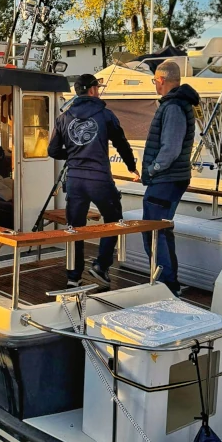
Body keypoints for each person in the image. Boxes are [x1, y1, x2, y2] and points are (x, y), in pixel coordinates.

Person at [48, 73, 140, 288]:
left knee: (75, 228)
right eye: (97, 87)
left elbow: (52, 150)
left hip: (75, 180)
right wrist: (132, 167)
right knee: (115, 221)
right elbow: (121, 143)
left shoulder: (63, 118)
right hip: (99, 179)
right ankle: (101, 266)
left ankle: (73, 277)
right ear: (92, 90)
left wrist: (71, 156)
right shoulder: (106, 115)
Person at [141, 59, 200, 295]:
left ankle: (165, 284)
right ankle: (170, 282)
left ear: (162, 80)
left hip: (165, 179)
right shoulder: (177, 103)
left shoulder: (173, 106)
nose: (155, 85)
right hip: (171, 179)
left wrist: (153, 169)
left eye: (155, 80)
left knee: (153, 230)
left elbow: (171, 148)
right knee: (162, 229)